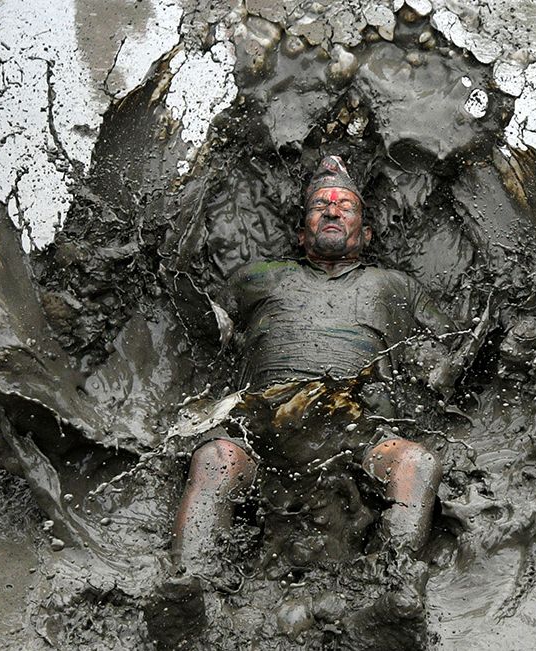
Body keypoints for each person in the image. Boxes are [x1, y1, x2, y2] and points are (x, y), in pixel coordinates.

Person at [170, 155, 460, 574]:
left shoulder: (398, 286)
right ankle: (187, 586)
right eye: (320, 204)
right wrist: (177, 267)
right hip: (261, 424)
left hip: (358, 430)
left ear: (367, 233)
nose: (332, 209)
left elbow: (446, 348)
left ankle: (393, 587)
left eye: (346, 205)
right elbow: (212, 328)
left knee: (417, 464)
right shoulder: (259, 276)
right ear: (301, 235)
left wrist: (442, 367)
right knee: (216, 459)